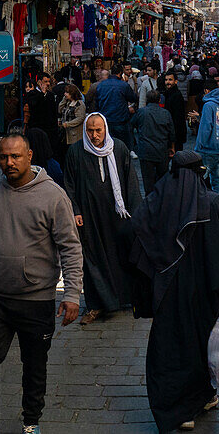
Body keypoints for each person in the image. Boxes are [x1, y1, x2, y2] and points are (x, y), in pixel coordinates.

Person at [0, 134, 83, 434]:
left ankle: (31, 421)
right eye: (4, 157)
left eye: (16, 156)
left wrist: (72, 294)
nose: (9, 162)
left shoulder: (54, 196)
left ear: (29, 156)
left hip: (37, 298)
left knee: (34, 366)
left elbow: (70, 248)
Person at [128, 152, 219, 432]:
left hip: (167, 293)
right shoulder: (212, 204)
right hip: (203, 296)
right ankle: (197, 400)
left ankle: (181, 408)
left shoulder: (156, 201)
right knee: (201, 347)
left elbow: (137, 239)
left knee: (171, 349)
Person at [63, 113, 140, 324]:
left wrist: (136, 214)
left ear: (105, 129)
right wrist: (75, 210)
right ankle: (96, 305)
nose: (95, 135)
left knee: (120, 256)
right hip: (90, 218)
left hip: (117, 216)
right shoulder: (76, 152)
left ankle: (122, 300)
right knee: (92, 260)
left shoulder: (120, 148)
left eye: (98, 130)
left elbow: (131, 182)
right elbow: (68, 184)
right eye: (90, 130)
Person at [132, 90, 176, 195]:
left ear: (147, 99)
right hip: (161, 150)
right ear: (159, 100)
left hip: (146, 150)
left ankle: (150, 203)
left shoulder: (141, 112)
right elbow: (172, 133)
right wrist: (172, 147)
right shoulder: (165, 113)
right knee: (163, 180)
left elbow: (131, 125)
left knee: (148, 182)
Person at [194, 85, 219, 195]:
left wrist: (200, 145)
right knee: (216, 180)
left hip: (207, 149)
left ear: (206, 91)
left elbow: (206, 127)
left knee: (201, 178)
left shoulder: (208, 106)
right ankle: (217, 204)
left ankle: (200, 205)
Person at [92, 64, 138, 149]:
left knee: (108, 146)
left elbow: (97, 103)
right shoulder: (123, 85)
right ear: (120, 73)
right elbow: (133, 98)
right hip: (120, 120)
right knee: (123, 146)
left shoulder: (101, 85)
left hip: (106, 120)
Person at [162, 70, 188, 152]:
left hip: (175, 133)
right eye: (166, 80)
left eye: (170, 80)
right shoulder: (168, 94)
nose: (167, 82)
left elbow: (178, 118)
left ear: (176, 81)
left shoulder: (176, 95)